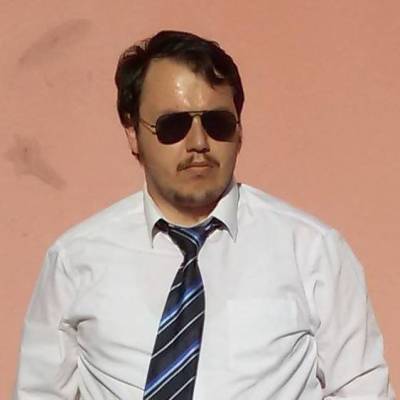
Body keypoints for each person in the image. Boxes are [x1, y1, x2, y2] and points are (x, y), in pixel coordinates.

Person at [13, 30, 396, 400]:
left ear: (240, 131)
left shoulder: (312, 251)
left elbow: (363, 391)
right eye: (173, 126)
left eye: (217, 123)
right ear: (133, 133)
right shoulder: (75, 260)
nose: (198, 143)